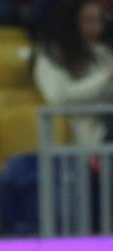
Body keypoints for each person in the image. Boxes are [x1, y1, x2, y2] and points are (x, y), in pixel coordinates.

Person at [34, 0, 113, 145]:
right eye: (89, 21)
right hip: (85, 136)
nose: (97, 28)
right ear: (69, 21)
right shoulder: (51, 55)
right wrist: (106, 78)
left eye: (99, 21)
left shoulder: (102, 51)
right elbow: (60, 97)